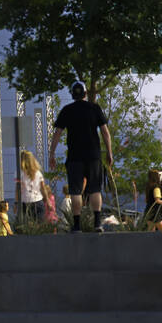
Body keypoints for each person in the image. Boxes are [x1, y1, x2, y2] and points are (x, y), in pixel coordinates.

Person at [49, 80, 114, 233]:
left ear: (72, 95)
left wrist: (52, 153)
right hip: (93, 156)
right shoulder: (95, 108)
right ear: (86, 93)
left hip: (74, 157)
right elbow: (105, 132)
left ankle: (77, 225)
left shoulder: (67, 110)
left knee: (76, 191)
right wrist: (109, 152)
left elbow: (57, 133)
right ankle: (97, 223)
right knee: (95, 190)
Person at [17, 150, 45, 222]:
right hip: (38, 201)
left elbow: (18, 189)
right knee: (39, 225)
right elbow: (43, 188)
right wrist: (47, 200)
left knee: (27, 226)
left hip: (25, 202)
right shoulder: (38, 173)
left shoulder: (20, 173)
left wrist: (16, 203)